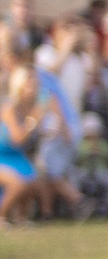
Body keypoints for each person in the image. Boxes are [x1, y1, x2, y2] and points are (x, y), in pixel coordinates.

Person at [1, 65, 70, 223]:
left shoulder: (32, 108)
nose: (32, 87)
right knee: (18, 183)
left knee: (35, 181)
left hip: (17, 157)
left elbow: (32, 138)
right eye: (28, 82)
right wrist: (34, 120)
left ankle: (21, 217)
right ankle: (2, 215)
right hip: (3, 156)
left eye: (34, 82)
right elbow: (17, 139)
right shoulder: (9, 107)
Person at [71, 112, 108, 219]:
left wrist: (100, 153)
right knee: (71, 178)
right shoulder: (79, 144)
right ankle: (80, 205)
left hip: (101, 172)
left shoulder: (104, 144)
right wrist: (87, 153)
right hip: (83, 172)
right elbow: (74, 159)